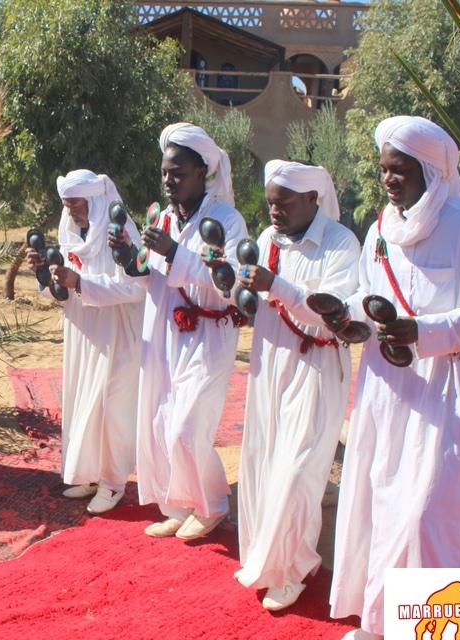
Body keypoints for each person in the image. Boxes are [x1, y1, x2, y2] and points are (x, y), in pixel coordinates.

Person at [328, 116, 460, 640]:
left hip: (449, 389)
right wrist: (349, 320)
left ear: (432, 172)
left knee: (432, 507)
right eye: (384, 169)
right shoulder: (380, 230)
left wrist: (428, 331)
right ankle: (378, 615)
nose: (389, 180)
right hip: (388, 387)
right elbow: (368, 297)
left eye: (401, 170)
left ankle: (439, 638)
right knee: (380, 495)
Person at [110, 122, 247, 540]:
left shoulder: (226, 218)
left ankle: (213, 505)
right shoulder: (163, 217)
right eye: (166, 172)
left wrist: (175, 253)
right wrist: (128, 257)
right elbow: (147, 275)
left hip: (207, 333)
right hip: (164, 330)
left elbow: (233, 280)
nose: (169, 180)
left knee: (187, 426)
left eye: (179, 172)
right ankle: (176, 503)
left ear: (202, 172)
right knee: (159, 419)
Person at [233, 160, 360, 611]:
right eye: (269, 203)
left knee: (298, 472)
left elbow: (335, 316)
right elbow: (255, 297)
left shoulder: (342, 243)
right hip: (270, 364)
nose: (274, 211)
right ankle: (266, 560)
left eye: (283, 203)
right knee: (265, 461)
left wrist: (278, 285)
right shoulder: (267, 241)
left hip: (316, 369)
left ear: (312, 199)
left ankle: (296, 566)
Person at [26, 170, 144, 514]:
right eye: (67, 206)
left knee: (112, 407)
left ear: (93, 201)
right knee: (84, 402)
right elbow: (62, 293)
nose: (72, 213)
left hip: (117, 331)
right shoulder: (71, 235)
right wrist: (44, 276)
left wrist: (82, 283)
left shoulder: (120, 233)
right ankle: (90, 475)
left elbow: (135, 288)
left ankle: (113, 483)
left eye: (76, 205)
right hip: (82, 331)